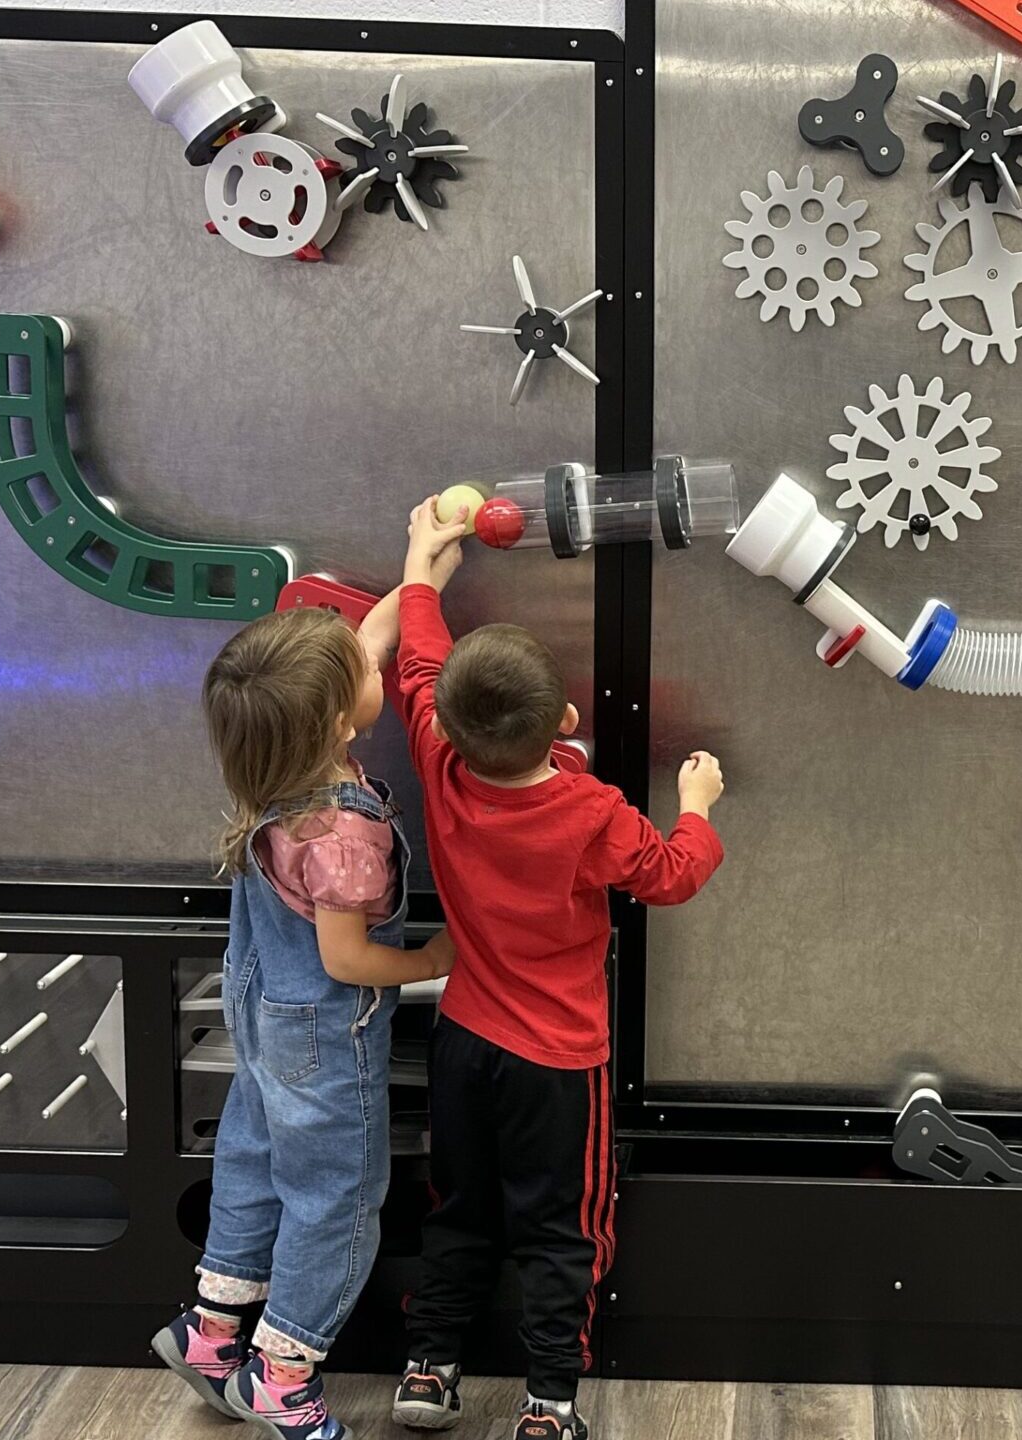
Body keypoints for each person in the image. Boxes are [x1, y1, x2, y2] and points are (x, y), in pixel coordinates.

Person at [383, 497, 727, 1440]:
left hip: (463, 1046)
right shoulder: (592, 814)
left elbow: (418, 659)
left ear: (448, 724)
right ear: (568, 719)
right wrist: (697, 803)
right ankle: (548, 1403)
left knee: (456, 1209)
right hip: (558, 1066)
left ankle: (428, 1369)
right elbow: (669, 875)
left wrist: (422, 566)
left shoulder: (438, 763)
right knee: (562, 1230)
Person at [152, 600, 456, 1440]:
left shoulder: (273, 766)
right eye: (367, 674)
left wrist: (419, 571)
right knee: (335, 1197)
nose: (378, 669)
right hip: (324, 1040)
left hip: (258, 1018)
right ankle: (283, 1378)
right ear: (335, 715)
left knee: (252, 1165)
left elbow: (360, 647)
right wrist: (428, 962)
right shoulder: (344, 832)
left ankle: (213, 1334)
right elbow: (348, 960)